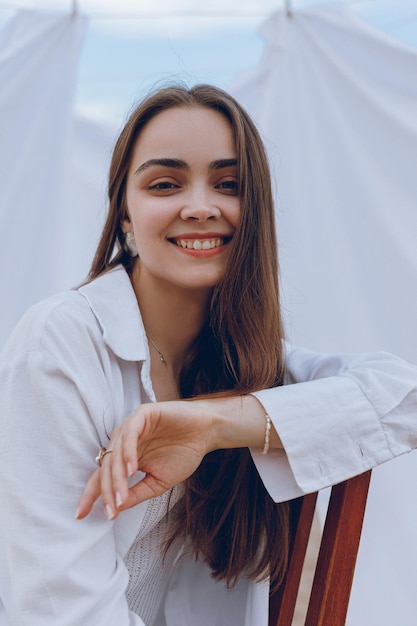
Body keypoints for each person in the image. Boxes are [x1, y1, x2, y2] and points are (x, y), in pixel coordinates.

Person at [0, 84, 416, 626]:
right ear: (124, 214)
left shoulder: (248, 355)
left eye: (229, 184)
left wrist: (215, 422)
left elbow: (402, 398)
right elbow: (63, 613)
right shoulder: (60, 344)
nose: (200, 207)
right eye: (166, 183)